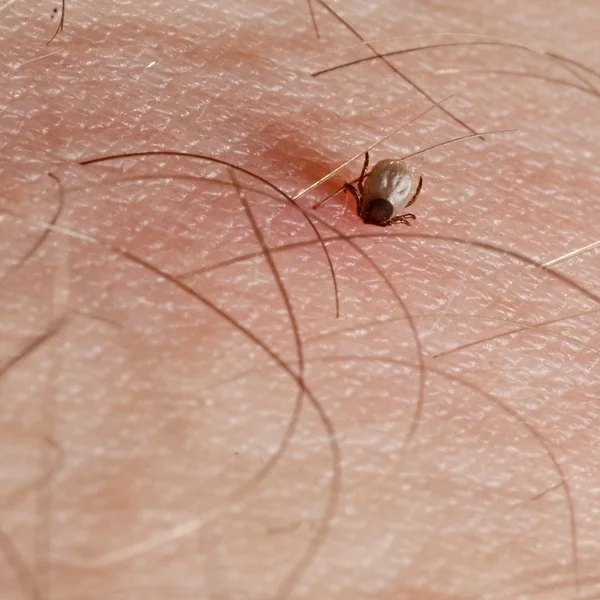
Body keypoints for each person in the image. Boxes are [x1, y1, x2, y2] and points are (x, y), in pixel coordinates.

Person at [2, 1, 600, 598]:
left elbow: (365, 186)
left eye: (368, 209)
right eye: (369, 210)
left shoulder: (363, 196)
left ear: (369, 200)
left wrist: (361, 193)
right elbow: (380, 190)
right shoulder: (375, 198)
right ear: (374, 202)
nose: (364, 213)